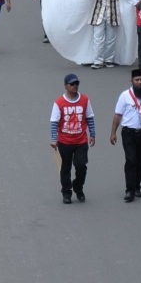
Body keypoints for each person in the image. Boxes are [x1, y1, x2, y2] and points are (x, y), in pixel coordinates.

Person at [110, 69, 141, 202]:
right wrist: (113, 133)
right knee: (131, 160)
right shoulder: (125, 96)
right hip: (128, 133)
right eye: (137, 80)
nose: (140, 82)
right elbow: (118, 115)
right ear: (132, 81)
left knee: (140, 162)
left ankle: (137, 186)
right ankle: (129, 190)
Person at [50, 73, 95, 204]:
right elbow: (54, 121)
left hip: (81, 140)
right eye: (72, 84)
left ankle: (78, 187)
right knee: (65, 168)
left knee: (81, 166)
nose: (75, 86)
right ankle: (66, 192)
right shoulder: (59, 102)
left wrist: (92, 134)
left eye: (77, 84)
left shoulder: (85, 100)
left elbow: (90, 117)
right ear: (65, 86)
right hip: (64, 141)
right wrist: (54, 139)